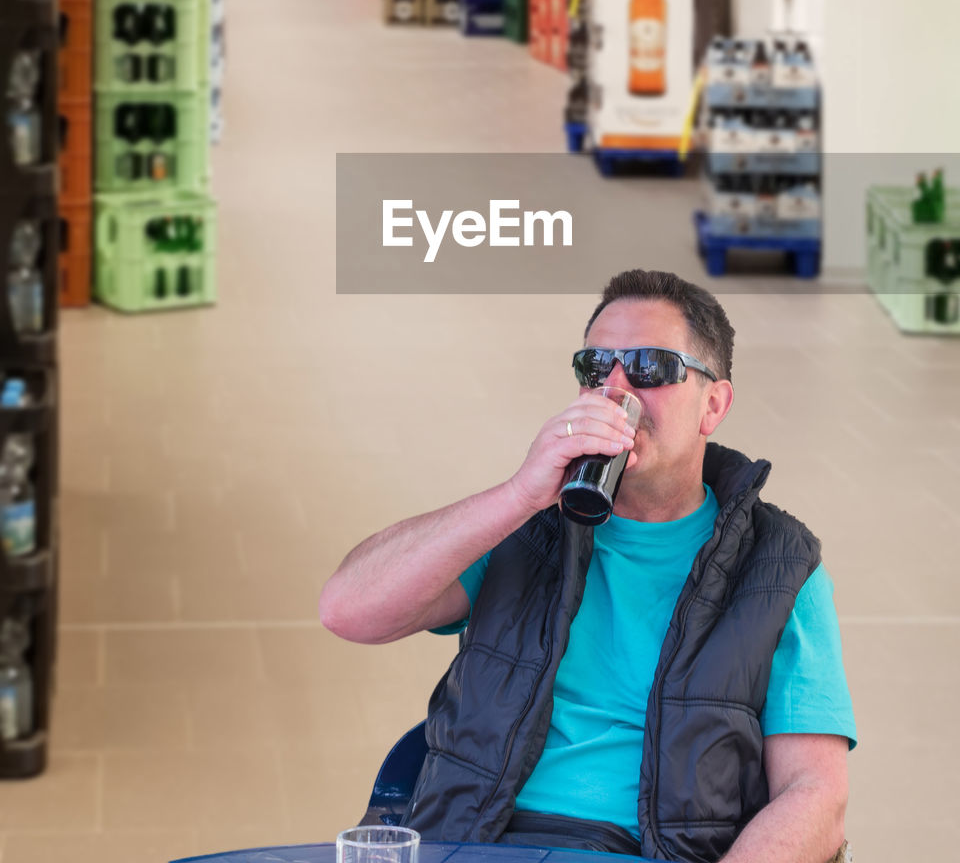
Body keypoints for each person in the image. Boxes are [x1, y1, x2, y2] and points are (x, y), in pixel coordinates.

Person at [319, 269, 856, 863]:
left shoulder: (779, 567)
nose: (616, 388)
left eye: (651, 367)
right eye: (596, 367)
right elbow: (347, 611)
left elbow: (815, 794)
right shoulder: (525, 525)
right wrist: (521, 494)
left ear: (713, 403)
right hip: (479, 845)